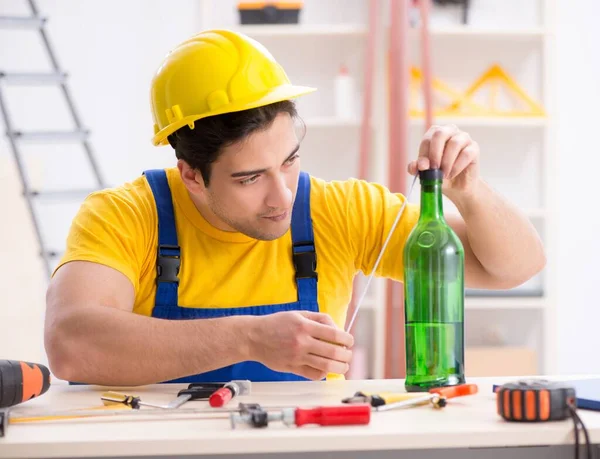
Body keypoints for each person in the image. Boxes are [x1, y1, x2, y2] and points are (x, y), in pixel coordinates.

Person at [44, 29, 546, 386]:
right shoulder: (129, 215)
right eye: (249, 177)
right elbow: (71, 343)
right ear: (191, 174)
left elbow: (515, 267)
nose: (282, 195)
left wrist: (470, 191)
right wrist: (248, 339)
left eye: (289, 161)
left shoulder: (340, 210)